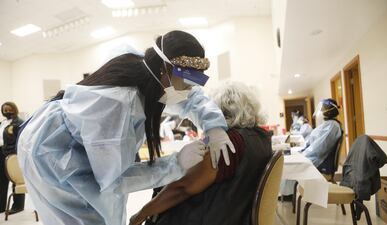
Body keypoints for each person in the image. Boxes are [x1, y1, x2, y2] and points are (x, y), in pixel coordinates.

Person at [17, 30, 235, 225]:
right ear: (164, 71)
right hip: (50, 156)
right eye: (186, 84)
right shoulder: (116, 105)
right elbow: (113, 182)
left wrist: (213, 125)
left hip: (68, 138)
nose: (188, 92)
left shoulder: (145, 66)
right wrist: (175, 164)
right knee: (86, 215)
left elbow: (190, 96)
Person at [129, 81, 273, 225]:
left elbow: (183, 187)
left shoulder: (227, 143)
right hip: (237, 215)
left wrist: (141, 213)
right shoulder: (262, 138)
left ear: (219, 111)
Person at [302, 98, 342, 170]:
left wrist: (303, 154)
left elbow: (319, 148)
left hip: (320, 161)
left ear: (330, 110)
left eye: (322, 109)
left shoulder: (332, 126)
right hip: (315, 156)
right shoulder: (328, 124)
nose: (321, 111)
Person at [0, 102, 25, 214]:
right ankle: (1, 206)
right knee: (1, 180)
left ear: (15, 109)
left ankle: (18, 206)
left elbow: (22, 139)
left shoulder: (19, 123)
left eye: (9, 109)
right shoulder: (2, 123)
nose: (7, 112)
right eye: (5, 110)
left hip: (13, 154)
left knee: (16, 179)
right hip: (1, 152)